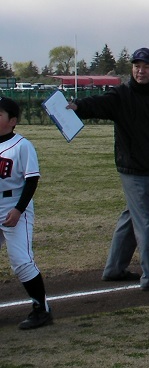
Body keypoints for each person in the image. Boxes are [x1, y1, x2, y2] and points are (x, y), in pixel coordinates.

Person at [69, 47, 149, 291]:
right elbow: (99, 104)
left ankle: (114, 269)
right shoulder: (122, 95)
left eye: (145, 66)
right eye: (136, 66)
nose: (140, 71)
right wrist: (78, 107)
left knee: (132, 218)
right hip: (134, 170)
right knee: (148, 221)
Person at [0, 97, 53, 329]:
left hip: (13, 206)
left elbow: (31, 180)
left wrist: (18, 209)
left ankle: (41, 310)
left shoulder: (22, 145)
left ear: (12, 121)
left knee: (21, 261)